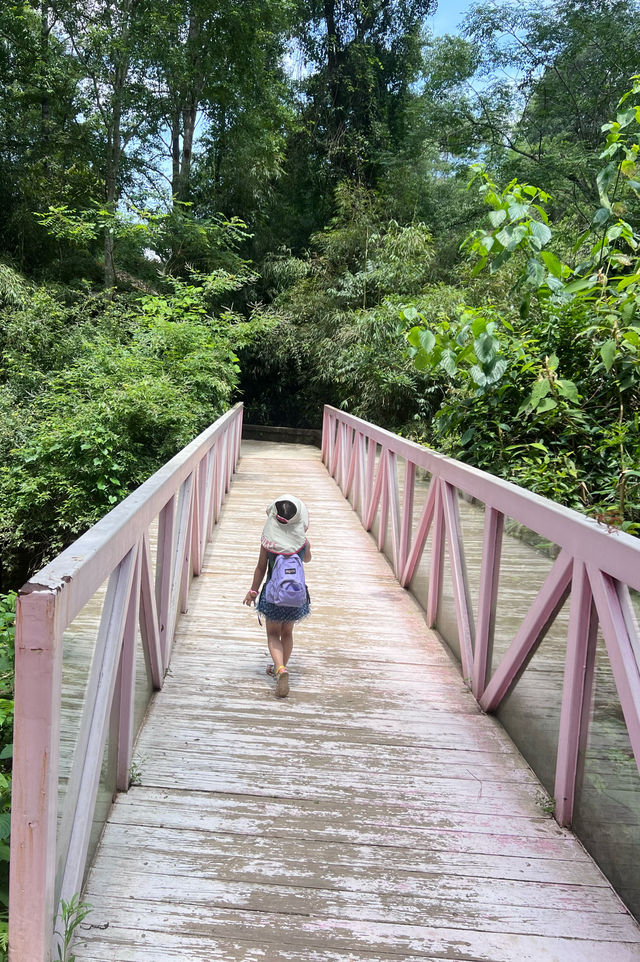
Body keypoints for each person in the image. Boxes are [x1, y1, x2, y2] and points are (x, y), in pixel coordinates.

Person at [243, 494, 312, 697]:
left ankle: (279, 669)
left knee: (273, 634)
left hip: (273, 596)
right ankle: (280, 668)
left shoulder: (269, 543)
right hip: (295, 596)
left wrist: (253, 591)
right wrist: (303, 548)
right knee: (287, 633)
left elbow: (260, 568)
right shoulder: (302, 542)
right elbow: (307, 559)